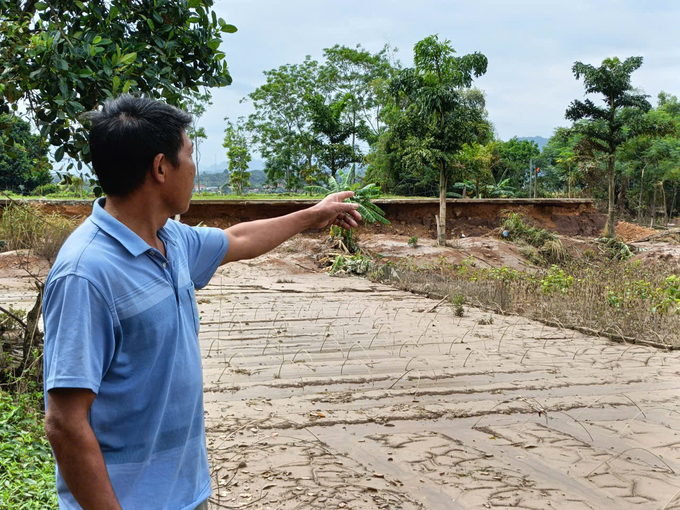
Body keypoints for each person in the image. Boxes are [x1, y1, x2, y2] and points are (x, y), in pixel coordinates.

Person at [42, 95, 361, 510]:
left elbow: (238, 239)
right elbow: (64, 423)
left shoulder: (169, 239)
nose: (194, 169)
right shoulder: (86, 274)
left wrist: (312, 215)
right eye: (189, 155)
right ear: (160, 168)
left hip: (186, 495)